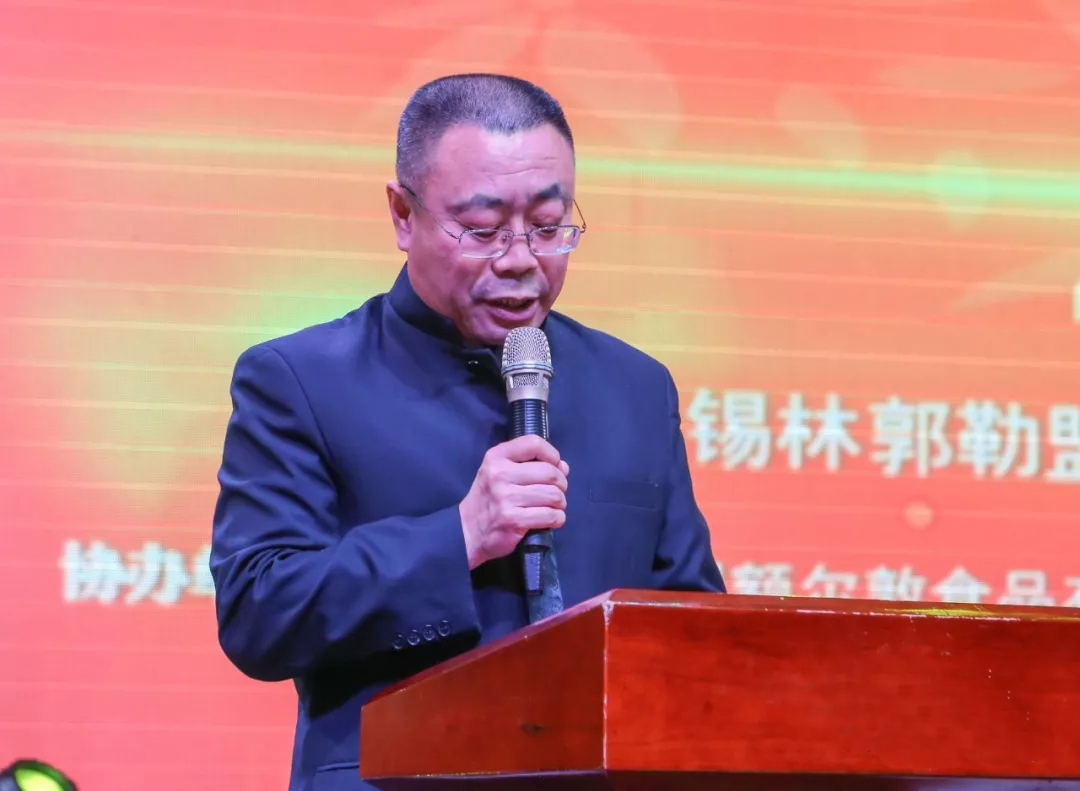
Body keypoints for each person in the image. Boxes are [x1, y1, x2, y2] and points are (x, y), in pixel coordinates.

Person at [209, 73, 726, 791]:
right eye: (482, 230)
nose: (520, 258)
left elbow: (694, 629)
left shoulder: (634, 386)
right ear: (402, 213)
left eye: (548, 225)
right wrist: (459, 536)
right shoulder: (302, 379)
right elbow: (260, 614)